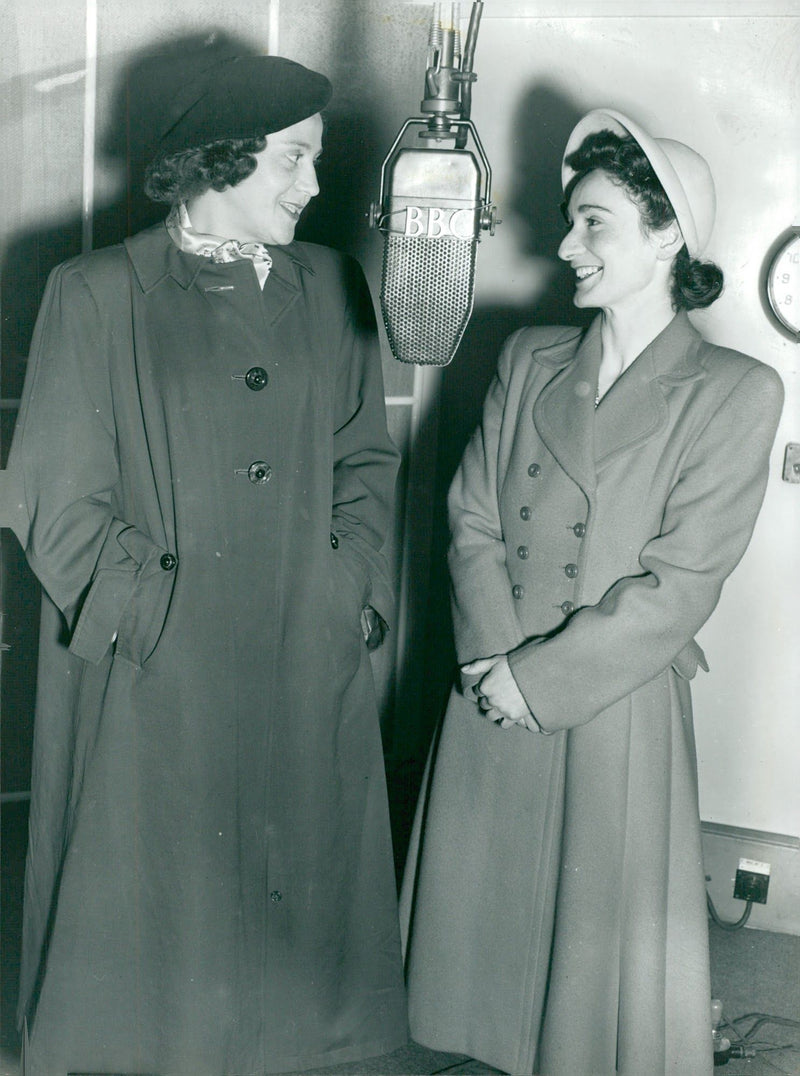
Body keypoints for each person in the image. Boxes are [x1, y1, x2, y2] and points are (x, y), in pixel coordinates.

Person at [8, 43, 407, 1075]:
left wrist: (342, 584)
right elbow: (55, 499)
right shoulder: (96, 292)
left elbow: (366, 455)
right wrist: (157, 620)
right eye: (294, 159)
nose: (315, 185)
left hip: (297, 648)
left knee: (296, 935)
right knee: (159, 950)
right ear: (222, 158)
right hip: (156, 671)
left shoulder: (333, 285)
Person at [399, 109, 783, 1076]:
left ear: (668, 236)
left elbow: (682, 581)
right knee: (486, 949)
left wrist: (543, 680)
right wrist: (495, 661)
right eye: (571, 221)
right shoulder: (530, 357)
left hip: (612, 691)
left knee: (595, 977)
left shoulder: (737, 389)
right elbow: (472, 515)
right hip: (494, 676)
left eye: (594, 222)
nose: (565, 244)